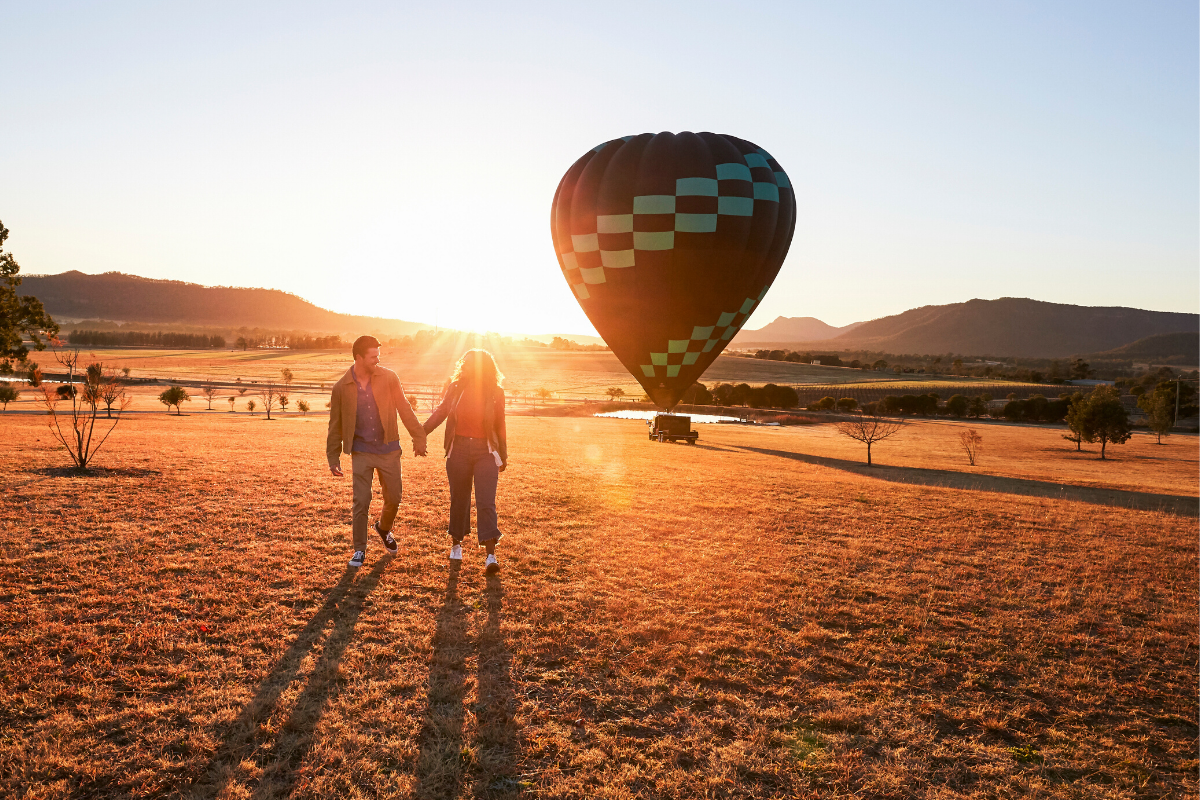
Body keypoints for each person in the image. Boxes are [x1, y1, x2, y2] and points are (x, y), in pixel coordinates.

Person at [327, 335, 427, 568]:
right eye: (373, 357)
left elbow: (404, 407)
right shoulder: (341, 387)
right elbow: (335, 425)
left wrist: (419, 436)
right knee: (361, 501)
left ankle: (383, 528)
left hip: (388, 449)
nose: (377, 360)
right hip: (361, 451)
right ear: (359, 358)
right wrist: (333, 457)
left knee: (394, 498)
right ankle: (359, 550)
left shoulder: (389, 378)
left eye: (378, 356)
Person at [424, 349, 508, 573]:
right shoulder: (455, 387)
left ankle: (491, 556)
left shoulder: (495, 392)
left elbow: (500, 425)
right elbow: (442, 411)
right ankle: (456, 545)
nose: (465, 367)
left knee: (486, 502)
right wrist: (421, 432)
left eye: (470, 364)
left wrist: (504, 455)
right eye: (465, 363)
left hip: (486, 452)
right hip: (458, 449)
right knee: (459, 499)